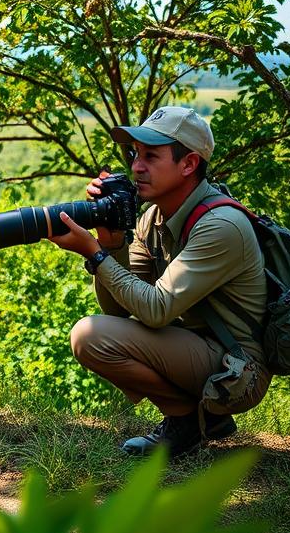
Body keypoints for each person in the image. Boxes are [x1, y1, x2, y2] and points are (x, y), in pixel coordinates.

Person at [48, 106, 270, 458]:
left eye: (151, 156)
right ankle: (204, 421)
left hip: (237, 369)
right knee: (96, 334)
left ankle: (186, 422)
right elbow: (119, 308)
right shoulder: (153, 216)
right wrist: (111, 243)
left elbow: (154, 310)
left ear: (189, 164)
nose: (136, 165)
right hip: (191, 345)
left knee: (90, 334)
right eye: (136, 154)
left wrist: (94, 254)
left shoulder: (221, 225)